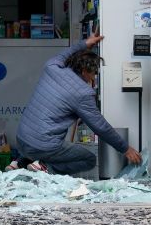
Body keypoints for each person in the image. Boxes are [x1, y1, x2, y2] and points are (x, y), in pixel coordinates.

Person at [12, 31, 142, 175]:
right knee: (89, 160)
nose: (94, 77)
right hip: (43, 146)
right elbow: (101, 127)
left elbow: (66, 53)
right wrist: (125, 148)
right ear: (85, 71)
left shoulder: (52, 67)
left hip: (22, 139)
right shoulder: (83, 93)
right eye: (94, 73)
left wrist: (85, 44)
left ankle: (20, 163)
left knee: (43, 145)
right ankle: (44, 167)